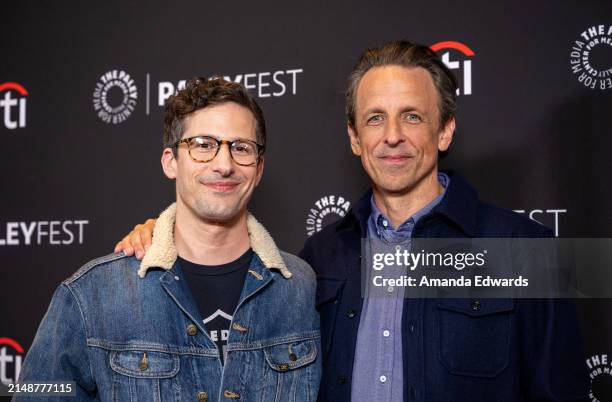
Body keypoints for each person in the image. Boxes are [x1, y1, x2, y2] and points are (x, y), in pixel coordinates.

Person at [116, 41, 589, 401]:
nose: (393, 137)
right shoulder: (319, 258)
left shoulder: (526, 250)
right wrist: (164, 234)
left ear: (445, 130)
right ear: (354, 137)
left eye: (413, 117)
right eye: (376, 119)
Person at [16, 77, 320, 402]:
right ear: (171, 162)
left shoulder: (300, 287)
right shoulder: (91, 295)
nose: (224, 164)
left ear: (258, 169)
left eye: (241, 148)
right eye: (203, 145)